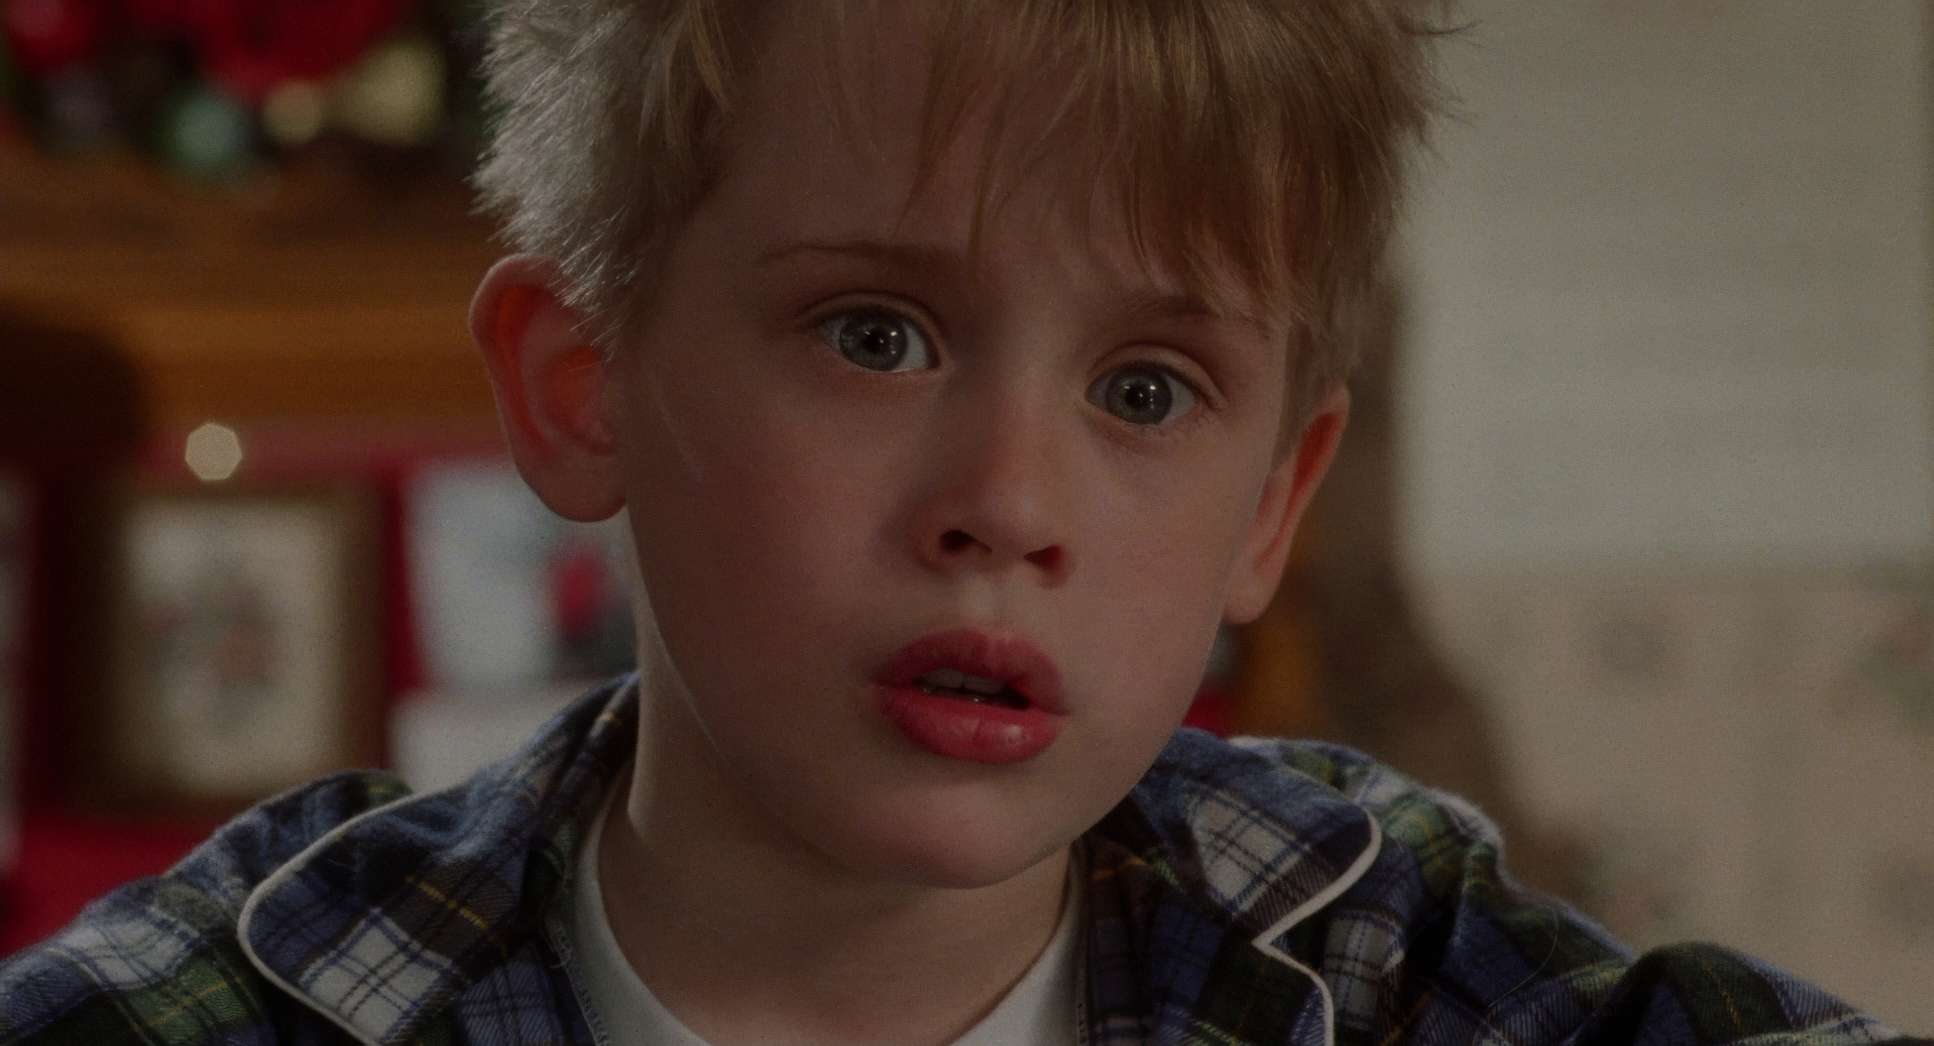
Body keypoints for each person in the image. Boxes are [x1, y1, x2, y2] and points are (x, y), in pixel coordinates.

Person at [0, 2, 1915, 1043]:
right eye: (875, 335)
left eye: (1144, 391)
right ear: (583, 384)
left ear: (1273, 502)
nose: (1005, 505)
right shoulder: (223, 1010)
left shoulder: (1376, 952)